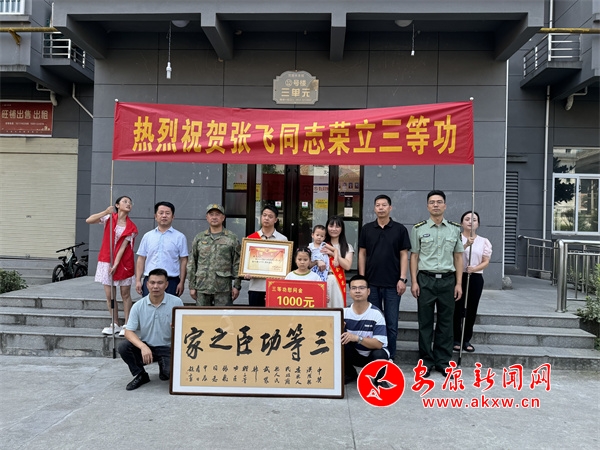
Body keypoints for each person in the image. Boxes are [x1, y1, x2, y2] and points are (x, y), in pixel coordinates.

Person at [410, 190, 463, 377]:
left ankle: (443, 361)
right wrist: (414, 282)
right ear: (427, 206)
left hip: (448, 280)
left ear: (445, 205)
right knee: (424, 322)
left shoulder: (455, 229)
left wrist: (459, 283)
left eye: (439, 202)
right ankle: (425, 361)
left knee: (446, 323)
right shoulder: (418, 229)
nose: (435, 205)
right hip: (425, 279)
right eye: (432, 202)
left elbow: (458, 257)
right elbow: (414, 256)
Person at [358, 195, 410, 360]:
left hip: (393, 284)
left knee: (391, 323)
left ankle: (390, 356)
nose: (380, 208)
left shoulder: (400, 229)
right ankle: (374, 355)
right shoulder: (367, 229)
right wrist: (362, 279)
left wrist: (402, 279)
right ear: (374, 208)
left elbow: (404, 255)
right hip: (371, 284)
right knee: (372, 321)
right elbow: (362, 253)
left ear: (390, 208)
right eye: (377, 205)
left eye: (384, 205)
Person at [118, 268, 183, 391]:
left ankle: (164, 367)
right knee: (124, 347)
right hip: (148, 346)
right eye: (152, 282)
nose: (156, 286)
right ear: (147, 284)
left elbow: (184, 327)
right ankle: (140, 374)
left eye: (160, 283)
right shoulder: (138, 306)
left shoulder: (176, 302)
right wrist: (143, 346)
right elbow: (128, 331)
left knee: (167, 375)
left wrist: (177, 327)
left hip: (168, 347)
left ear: (166, 285)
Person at [86, 196, 138, 336]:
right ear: (117, 205)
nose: (128, 204)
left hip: (123, 262)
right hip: (106, 258)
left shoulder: (131, 227)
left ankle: (127, 324)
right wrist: (105, 212)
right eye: (125, 201)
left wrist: (116, 264)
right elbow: (89, 220)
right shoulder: (109, 218)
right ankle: (114, 323)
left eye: (130, 203)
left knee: (125, 293)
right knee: (110, 294)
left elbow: (122, 247)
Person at [188, 204, 242, 306]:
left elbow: (237, 263)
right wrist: (192, 286)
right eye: (211, 214)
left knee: (223, 315)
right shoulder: (199, 238)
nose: (214, 217)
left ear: (223, 218)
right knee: (202, 315)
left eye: (217, 214)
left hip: (223, 288)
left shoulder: (231, 238)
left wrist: (237, 286)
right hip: (202, 286)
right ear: (207, 217)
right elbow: (192, 262)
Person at [453, 211, 492, 353]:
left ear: (478, 224)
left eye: (474, 220)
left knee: (471, 308)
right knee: (457, 308)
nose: (470, 222)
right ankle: (456, 338)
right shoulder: (456, 238)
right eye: (467, 219)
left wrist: (475, 268)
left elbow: (486, 261)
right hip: (457, 276)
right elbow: (452, 255)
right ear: (461, 223)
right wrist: (465, 245)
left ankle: (466, 339)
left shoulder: (484, 241)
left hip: (474, 277)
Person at [341, 275, 389, 384]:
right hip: (354, 354)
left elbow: (379, 344)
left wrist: (357, 338)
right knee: (340, 343)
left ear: (368, 291)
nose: (357, 291)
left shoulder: (376, 314)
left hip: (372, 355)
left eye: (361, 288)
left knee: (380, 354)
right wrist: (339, 329)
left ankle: (379, 379)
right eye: (354, 288)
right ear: (349, 291)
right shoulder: (344, 312)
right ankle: (350, 373)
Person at [135, 201, 188, 298]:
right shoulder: (147, 236)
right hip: (150, 280)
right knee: (149, 306)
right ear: (155, 216)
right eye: (161, 213)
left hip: (171, 281)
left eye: (167, 213)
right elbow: (141, 258)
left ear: (173, 217)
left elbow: (184, 260)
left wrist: (182, 282)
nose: (164, 216)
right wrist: (138, 280)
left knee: (171, 307)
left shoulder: (180, 237)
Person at [246, 205, 288, 307]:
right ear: (261, 217)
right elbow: (247, 263)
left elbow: (284, 265)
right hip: (256, 287)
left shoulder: (282, 240)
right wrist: (246, 272)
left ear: (275, 220)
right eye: (264, 215)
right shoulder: (251, 239)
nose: (266, 218)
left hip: (275, 287)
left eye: (270, 216)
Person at [322, 215, 354, 308]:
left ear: (342, 229)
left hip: (337, 281)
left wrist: (333, 253)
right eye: (331, 226)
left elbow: (347, 266)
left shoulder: (347, 247)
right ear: (327, 227)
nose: (334, 229)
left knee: (337, 308)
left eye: (337, 226)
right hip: (322, 281)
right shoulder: (321, 245)